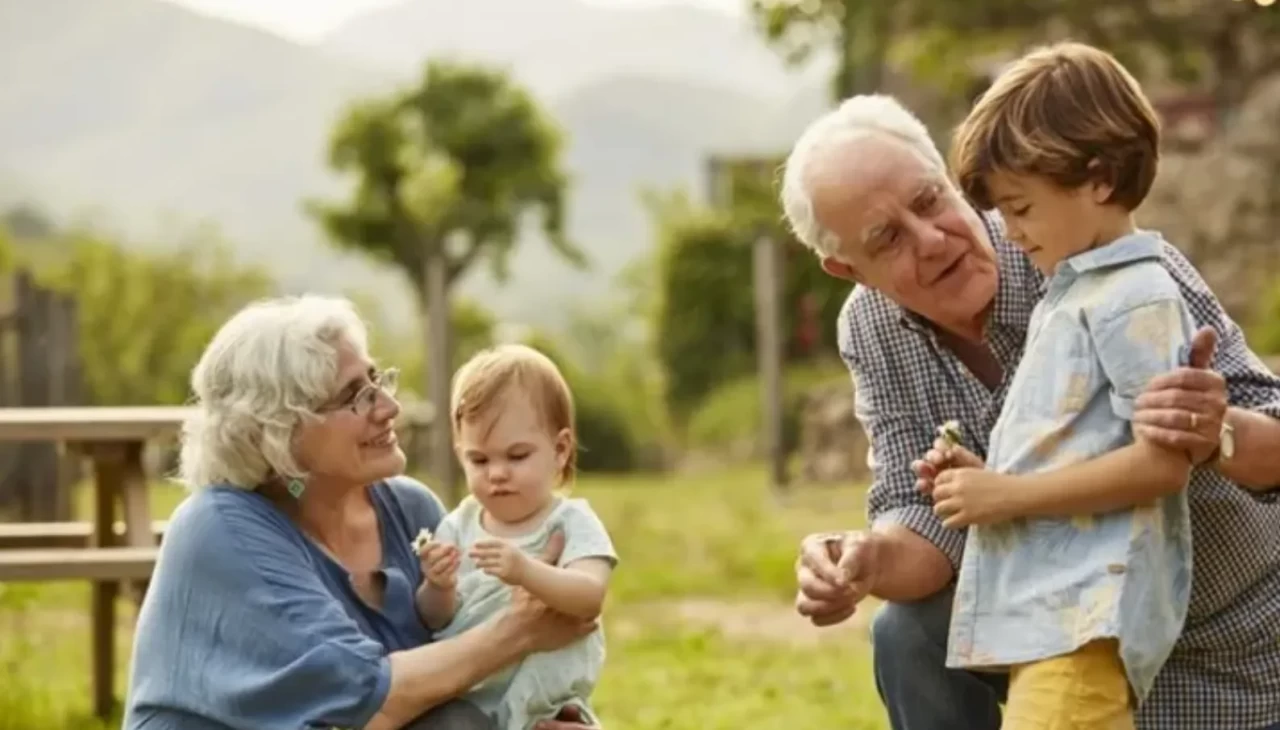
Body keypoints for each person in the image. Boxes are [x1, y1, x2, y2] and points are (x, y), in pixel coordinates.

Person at [777, 88, 1280, 729]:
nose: (931, 240)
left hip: (1221, 635)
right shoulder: (872, 328)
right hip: (1057, 628)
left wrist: (1215, 431)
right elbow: (924, 519)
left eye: (931, 200)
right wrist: (865, 561)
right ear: (848, 269)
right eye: (889, 239)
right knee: (907, 632)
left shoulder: (1102, 254)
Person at [122, 295, 602, 730]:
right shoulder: (219, 528)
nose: (390, 406)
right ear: (279, 429)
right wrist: (521, 629)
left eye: (377, 380)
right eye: (356, 395)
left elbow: (466, 677)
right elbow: (371, 704)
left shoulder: (410, 509)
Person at [931, 42, 1201, 729]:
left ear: (1099, 180)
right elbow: (1077, 445)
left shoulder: (1136, 297)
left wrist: (1009, 496)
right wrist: (985, 477)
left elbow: (1163, 461)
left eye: (1020, 208)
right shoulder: (1073, 291)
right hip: (1050, 623)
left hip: (1084, 625)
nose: (1009, 233)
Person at [414, 344, 617, 729]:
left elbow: (589, 598)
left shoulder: (571, 522)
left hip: (549, 707)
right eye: (480, 460)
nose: (497, 473)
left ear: (559, 450)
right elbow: (434, 618)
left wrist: (525, 571)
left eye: (516, 456)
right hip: (469, 700)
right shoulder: (459, 525)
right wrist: (437, 585)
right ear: (461, 455)